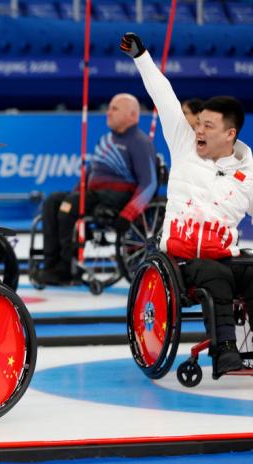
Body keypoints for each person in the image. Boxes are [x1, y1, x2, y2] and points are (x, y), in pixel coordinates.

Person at [121, 32, 253, 376]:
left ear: (230, 134)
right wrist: (141, 57)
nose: (199, 129)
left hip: (223, 254)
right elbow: (163, 94)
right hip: (181, 260)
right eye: (198, 122)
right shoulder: (183, 144)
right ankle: (225, 352)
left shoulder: (247, 173)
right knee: (217, 275)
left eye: (208, 125)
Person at [36, 93, 158, 285]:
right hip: (92, 194)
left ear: (132, 115)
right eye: (109, 108)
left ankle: (66, 269)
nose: (108, 113)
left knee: (68, 207)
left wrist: (128, 214)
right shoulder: (106, 139)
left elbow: (149, 183)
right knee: (52, 202)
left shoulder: (140, 143)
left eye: (114, 109)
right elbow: (89, 173)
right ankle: (51, 264)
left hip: (116, 197)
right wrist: (76, 193)